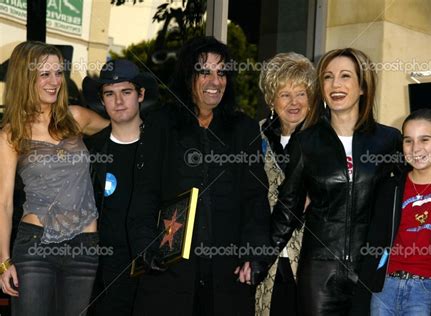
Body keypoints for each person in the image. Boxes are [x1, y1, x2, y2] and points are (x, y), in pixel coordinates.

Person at [269, 47, 431, 315]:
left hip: (373, 272)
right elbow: (288, 209)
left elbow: (420, 184)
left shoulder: (388, 140)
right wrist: (258, 259)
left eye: (345, 76)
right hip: (320, 271)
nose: (336, 84)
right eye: (328, 77)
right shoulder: (306, 141)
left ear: (363, 86)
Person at [127, 36, 271, 316]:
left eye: (221, 72)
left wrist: (254, 253)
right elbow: (144, 193)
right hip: (169, 273)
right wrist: (146, 247)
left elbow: (255, 198)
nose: (214, 81)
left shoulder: (244, 129)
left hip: (226, 276)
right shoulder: (161, 123)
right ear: (188, 75)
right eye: (204, 71)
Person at [0, 41, 108, 315]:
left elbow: (126, 133)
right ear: (27, 78)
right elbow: (3, 203)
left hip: (84, 249)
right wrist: (3, 261)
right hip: (35, 246)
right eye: (45, 74)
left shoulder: (76, 117)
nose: (55, 81)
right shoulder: (11, 133)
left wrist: (125, 97)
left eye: (59, 73)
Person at [354, 109, 431, 316]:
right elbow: (374, 238)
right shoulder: (391, 186)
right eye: (408, 141)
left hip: (427, 291)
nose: (416, 148)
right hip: (384, 287)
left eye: (425, 139)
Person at [82, 59, 157, 315]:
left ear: (141, 94)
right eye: (110, 94)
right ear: (102, 101)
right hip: (105, 274)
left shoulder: (161, 146)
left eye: (126, 92)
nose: (118, 101)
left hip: (152, 267)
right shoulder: (91, 150)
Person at [255, 52, 315, 316]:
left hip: (311, 264)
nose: (294, 102)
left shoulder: (325, 140)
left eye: (301, 93)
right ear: (271, 99)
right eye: (285, 94)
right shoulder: (253, 138)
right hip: (264, 264)